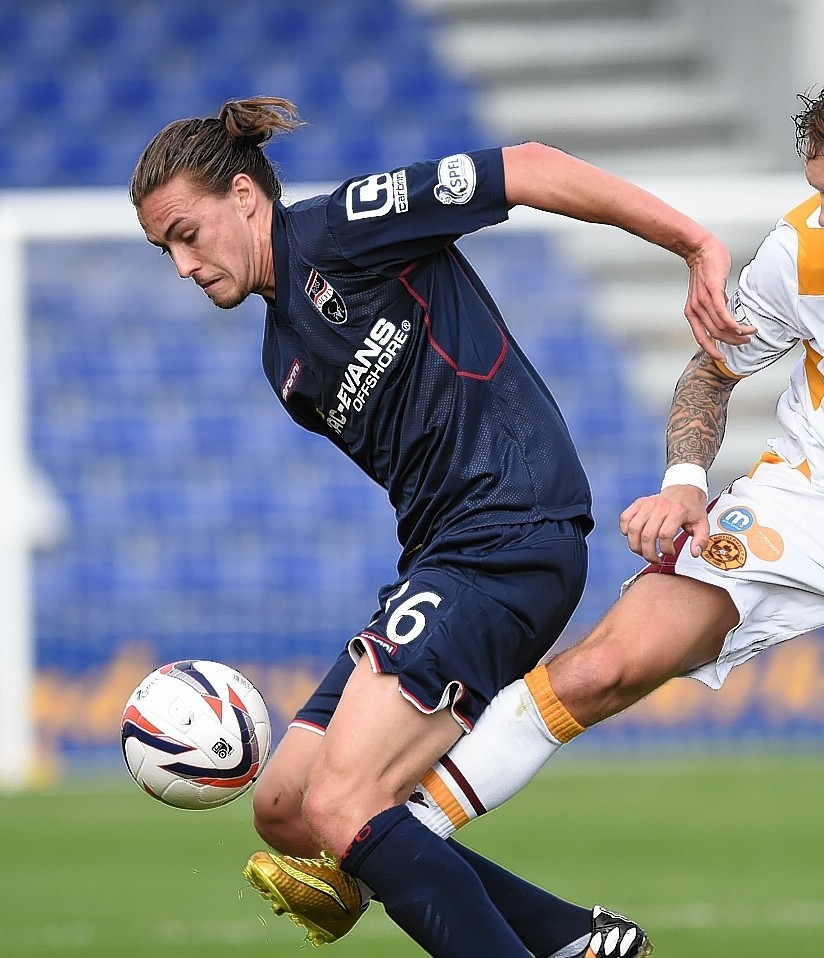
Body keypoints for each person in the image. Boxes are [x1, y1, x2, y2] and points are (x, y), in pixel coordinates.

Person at [129, 99, 742, 957]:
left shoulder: (346, 227)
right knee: (291, 807)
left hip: (509, 533)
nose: (184, 266)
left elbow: (525, 166)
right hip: (444, 559)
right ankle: (573, 942)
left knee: (346, 804)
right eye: (166, 251)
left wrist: (693, 243)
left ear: (243, 194)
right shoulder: (286, 365)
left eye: (188, 234)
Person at [366, 52, 824, 957]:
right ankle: (387, 843)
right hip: (815, 501)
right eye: (817, 190)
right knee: (606, 665)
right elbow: (711, 371)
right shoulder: (800, 252)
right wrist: (683, 483)